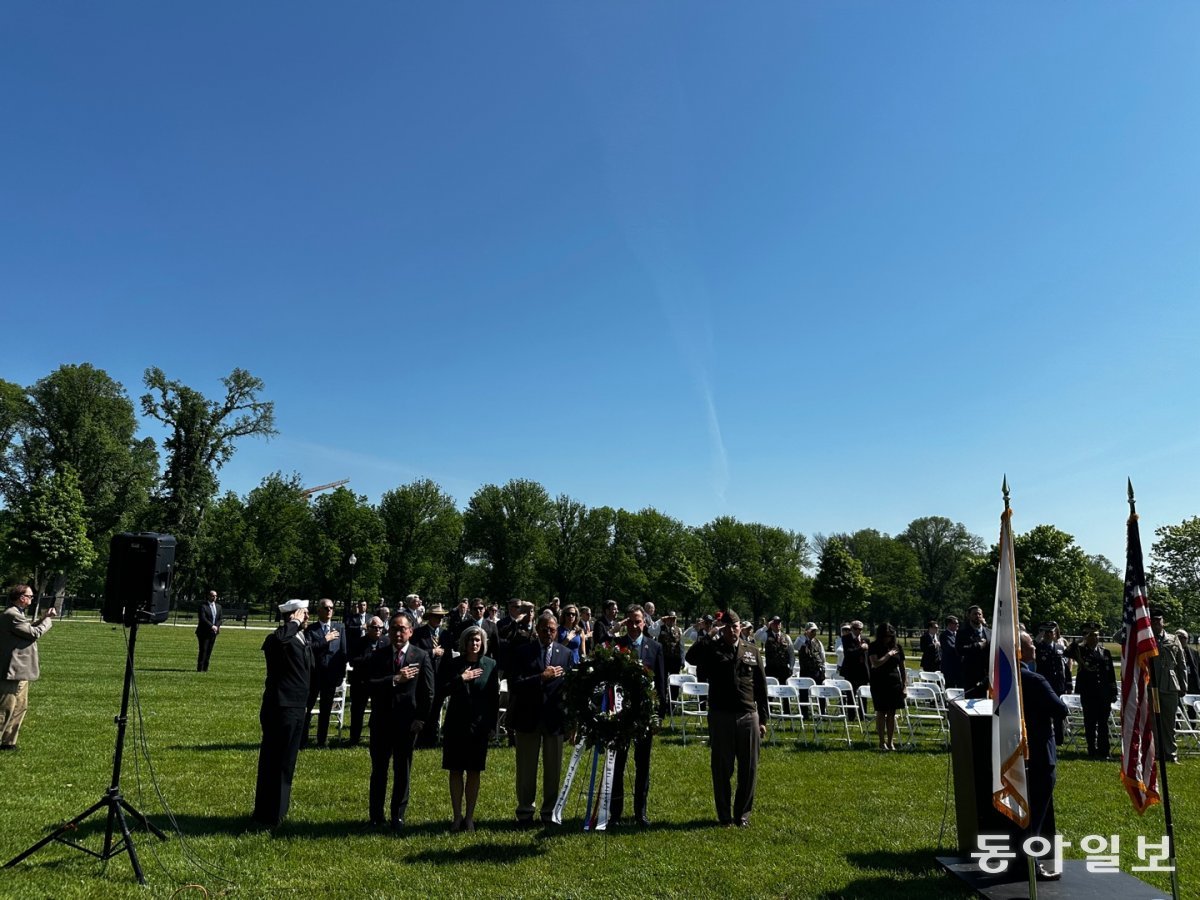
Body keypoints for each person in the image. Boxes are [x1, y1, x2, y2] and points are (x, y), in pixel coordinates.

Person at [685, 609, 768, 827]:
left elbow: (761, 686)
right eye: (729, 627)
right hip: (721, 715)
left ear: (741, 627)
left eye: (736, 626)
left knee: (749, 768)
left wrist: (763, 720)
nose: (733, 630)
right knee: (722, 768)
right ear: (723, 629)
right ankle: (724, 816)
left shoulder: (752, 650)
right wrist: (710, 634)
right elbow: (690, 657)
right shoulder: (713, 648)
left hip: (748, 714)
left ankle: (742, 815)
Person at [364, 611, 434, 830]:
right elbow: (369, 685)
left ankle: (398, 816)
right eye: (394, 628)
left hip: (407, 724)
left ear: (411, 631)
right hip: (382, 722)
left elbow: (429, 692)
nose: (398, 633)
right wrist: (394, 679)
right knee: (379, 771)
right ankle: (376, 816)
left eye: (402, 628)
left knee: (402, 771)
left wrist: (421, 719)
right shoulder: (378, 656)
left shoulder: (420, 656)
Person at [509, 611, 574, 826]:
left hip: (554, 720)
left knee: (553, 770)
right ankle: (525, 811)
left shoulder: (565, 654)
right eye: (544, 629)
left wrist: (571, 722)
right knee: (526, 769)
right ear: (537, 630)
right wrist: (541, 678)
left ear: (557, 631)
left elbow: (570, 689)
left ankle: (550, 813)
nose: (548, 633)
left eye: (552, 629)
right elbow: (515, 685)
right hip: (528, 718)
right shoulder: (522, 652)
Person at [253, 599, 313, 828]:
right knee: (274, 761)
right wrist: (294, 623)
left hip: (297, 707)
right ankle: (268, 814)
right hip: (281, 707)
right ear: (293, 615)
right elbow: (278, 641)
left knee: (286, 762)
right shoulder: (279, 638)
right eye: (304, 613)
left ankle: (277, 811)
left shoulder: (299, 638)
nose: (307, 617)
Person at [1018, 630, 1069, 881]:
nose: (1035, 649)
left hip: (1012, 754)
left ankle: (1019, 859)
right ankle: (1031, 862)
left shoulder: (1001, 679)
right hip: (1038, 751)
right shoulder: (1035, 680)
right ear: (1020, 651)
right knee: (1036, 812)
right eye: (1030, 646)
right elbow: (1060, 709)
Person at [611, 605, 668, 827]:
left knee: (642, 764)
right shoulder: (617, 646)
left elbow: (661, 685)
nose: (635, 626)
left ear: (645, 623)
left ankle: (640, 813)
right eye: (631, 622)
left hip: (645, 715)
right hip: (620, 715)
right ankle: (615, 813)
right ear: (626, 622)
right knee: (618, 764)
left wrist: (658, 717)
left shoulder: (655, 648)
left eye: (639, 622)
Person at [440, 624, 499, 832]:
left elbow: (494, 698)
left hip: (479, 726)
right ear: (464, 643)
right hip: (456, 724)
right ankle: (456, 817)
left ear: (482, 643)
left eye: (477, 640)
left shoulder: (490, 665)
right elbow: (441, 689)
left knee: (474, 771)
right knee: (455, 770)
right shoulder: (454, 664)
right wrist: (460, 678)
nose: (474, 644)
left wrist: (492, 726)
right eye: (471, 640)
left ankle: (470, 817)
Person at [0, 584, 57, 750]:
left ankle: (9, 742)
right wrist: (48, 620)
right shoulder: (11, 614)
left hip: (20, 670)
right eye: (30, 596)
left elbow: (27, 628)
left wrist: (42, 618)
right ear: (21, 597)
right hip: (11, 670)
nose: (32, 599)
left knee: (20, 706)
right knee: (5, 708)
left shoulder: (17, 614)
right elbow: (34, 633)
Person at [1065, 622, 1117, 758]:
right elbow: (1067, 652)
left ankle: (1104, 750)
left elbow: (1110, 673)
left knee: (1103, 723)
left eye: (1096, 635)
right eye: (1091, 635)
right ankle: (1092, 750)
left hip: (1103, 693)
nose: (1094, 637)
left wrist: (1113, 691)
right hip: (1089, 692)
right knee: (1090, 723)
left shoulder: (1105, 652)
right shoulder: (1080, 651)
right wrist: (1082, 639)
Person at [304, 598, 347, 748]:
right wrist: (325, 639)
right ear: (319, 611)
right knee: (307, 709)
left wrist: (341, 675)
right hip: (314, 676)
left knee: (326, 710)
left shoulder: (339, 627)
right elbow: (309, 648)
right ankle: (302, 740)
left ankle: (322, 741)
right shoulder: (311, 629)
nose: (329, 610)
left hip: (331, 676)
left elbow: (343, 652)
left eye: (331, 608)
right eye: (326, 608)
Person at [1150, 611, 1187, 763]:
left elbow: (1182, 664)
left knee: (1169, 722)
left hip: (1170, 684)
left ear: (1163, 622)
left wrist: (1183, 685)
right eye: (1154, 621)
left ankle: (1171, 753)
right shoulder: (1146, 638)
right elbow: (1118, 638)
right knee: (1154, 722)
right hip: (1152, 685)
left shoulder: (1173, 638)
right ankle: (1157, 753)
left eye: (1159, 621)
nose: (1157, 623)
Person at [413, 604, 451, 748]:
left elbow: (448, 655)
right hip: (423, 676)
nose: (440, 619)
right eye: (437, 616)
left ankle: (432, 740)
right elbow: (415, 652)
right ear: (429, 617)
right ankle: (420, 739)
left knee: (436, 708)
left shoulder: (445, 634)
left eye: (442, 616)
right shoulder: (419, 633)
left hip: (440, 677)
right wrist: (432, 652)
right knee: (424, 707)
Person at [347, 616, 388, 745]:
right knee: (357, 712)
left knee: (378, 712)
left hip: (379, 682)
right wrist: (372, 657)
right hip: (361, 681)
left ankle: (376, 738)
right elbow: (353, 660)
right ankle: (354, 739)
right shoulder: (359, 642)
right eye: (375, 628)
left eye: (380, 628)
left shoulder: (386, 642)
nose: (378, 630)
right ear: (368, 628)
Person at [867, 623, 907, 751]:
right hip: (879, 682)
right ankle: (881, 742)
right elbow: (876, 663)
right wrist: (888, 654)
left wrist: (904, 686)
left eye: (890, 636)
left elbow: (902, 668)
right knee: (881, 712)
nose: (888, 638)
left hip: (894, 682)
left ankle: (891, 742)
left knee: (892, 713)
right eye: (885, 636)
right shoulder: (873, 646)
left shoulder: (898, 647)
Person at [1034, 623, 1070, 746]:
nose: (1049, 634)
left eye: (1052, 632)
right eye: (1047, 632)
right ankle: (1046, 738)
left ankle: (1059, 740)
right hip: (1044, 685)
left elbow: (1065, 668)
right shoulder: (1038, 647)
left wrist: (1068, 684)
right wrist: (1040, 634)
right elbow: (1034, 644)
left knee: (1058, 714)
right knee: (1044, 713)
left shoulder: (1060, 647)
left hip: (1058, 685)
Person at [957, 606, 991, 697]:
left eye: (980, 614)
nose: (978, 616)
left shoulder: (989, 632)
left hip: (986, 675)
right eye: (975, 614)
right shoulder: (962, 632)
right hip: (970, 675)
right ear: (969, 616)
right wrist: (977, 646)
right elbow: (960, 650)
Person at [839, 621, 869, 720]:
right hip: (851, 670)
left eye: (860, 629)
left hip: (862, 670)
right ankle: (851, 716)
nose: (858, 631)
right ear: (852, 628)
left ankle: (863, 716)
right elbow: (849, 653)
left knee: (863, 694)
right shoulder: (846, 638)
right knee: (851, 694)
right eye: (856, 629)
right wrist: (861, 648)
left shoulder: (865, 640)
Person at [657, 611, 685, 694]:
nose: (672, 620)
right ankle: (663, 699)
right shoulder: (660, 628)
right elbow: (651, 631)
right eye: (670, 618)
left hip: (675, 659)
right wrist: (660, 621)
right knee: (663, 680)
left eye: (674, 618)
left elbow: (682, 646)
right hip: (664, 658)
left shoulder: (679, 629)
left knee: (675, 681)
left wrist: (683, 659)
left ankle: (673, 701)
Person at [195, 589, 223, 672]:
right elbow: (203, 618)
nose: (214, 597)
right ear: (208, 596)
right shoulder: (203, 606)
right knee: (203, 650)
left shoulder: (218, 607)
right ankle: (200, 668)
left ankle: (205, 668)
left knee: (209, 650)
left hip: (213, 632)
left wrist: (217, 626)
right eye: (212, 596)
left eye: (216, 596)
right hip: (203, 632)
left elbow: (220, 618)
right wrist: (212, 626)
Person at [763, 617, 794, 686]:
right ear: (771, 624)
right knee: (770, 691)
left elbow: (791, 654)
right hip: (771, 668)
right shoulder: (766, 635)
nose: (777, 625)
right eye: (775, 623)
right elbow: (756, 636)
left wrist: (791, 667)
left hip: (784, 669)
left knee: (784, 692)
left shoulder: (786, 637)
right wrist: (766, 626)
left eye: (779, 623)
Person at [939, 616, 962, 688]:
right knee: (950, 687)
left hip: (959, 666)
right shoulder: (944, 635)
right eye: (955, 623)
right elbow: (949, 648)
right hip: (949, 667)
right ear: (949, 624)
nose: (958, 625)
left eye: (958, 623)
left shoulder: (958, 634)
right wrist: (963, 648)